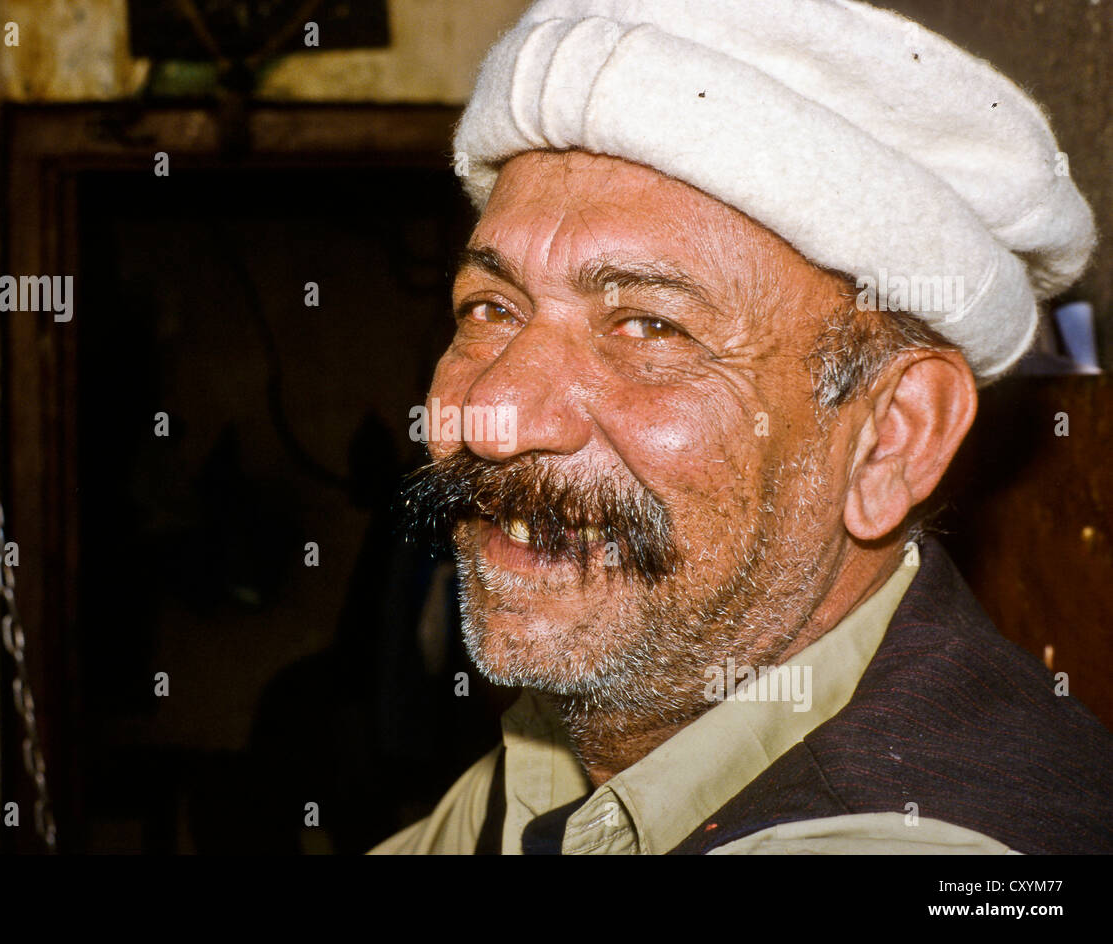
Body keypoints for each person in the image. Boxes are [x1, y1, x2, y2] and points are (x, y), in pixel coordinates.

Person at [372, 0, 1113, 854]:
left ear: (890, 439)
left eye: (649, 328)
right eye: (491, 308)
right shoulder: (596, 737)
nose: (495, 418)